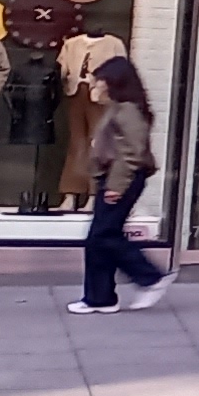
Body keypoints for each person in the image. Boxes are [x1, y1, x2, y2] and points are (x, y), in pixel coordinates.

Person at [69, 58, 168, 315]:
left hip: (121, 179)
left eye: (101, 79)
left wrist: (116, 186)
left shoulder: (128, 110)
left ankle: (150, 277)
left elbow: (132, 153)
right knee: (98, 239)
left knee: (103, 236)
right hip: (113, 178)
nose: (97, 83)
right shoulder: (117, 107)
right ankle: (99, 298)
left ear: (115, 82)